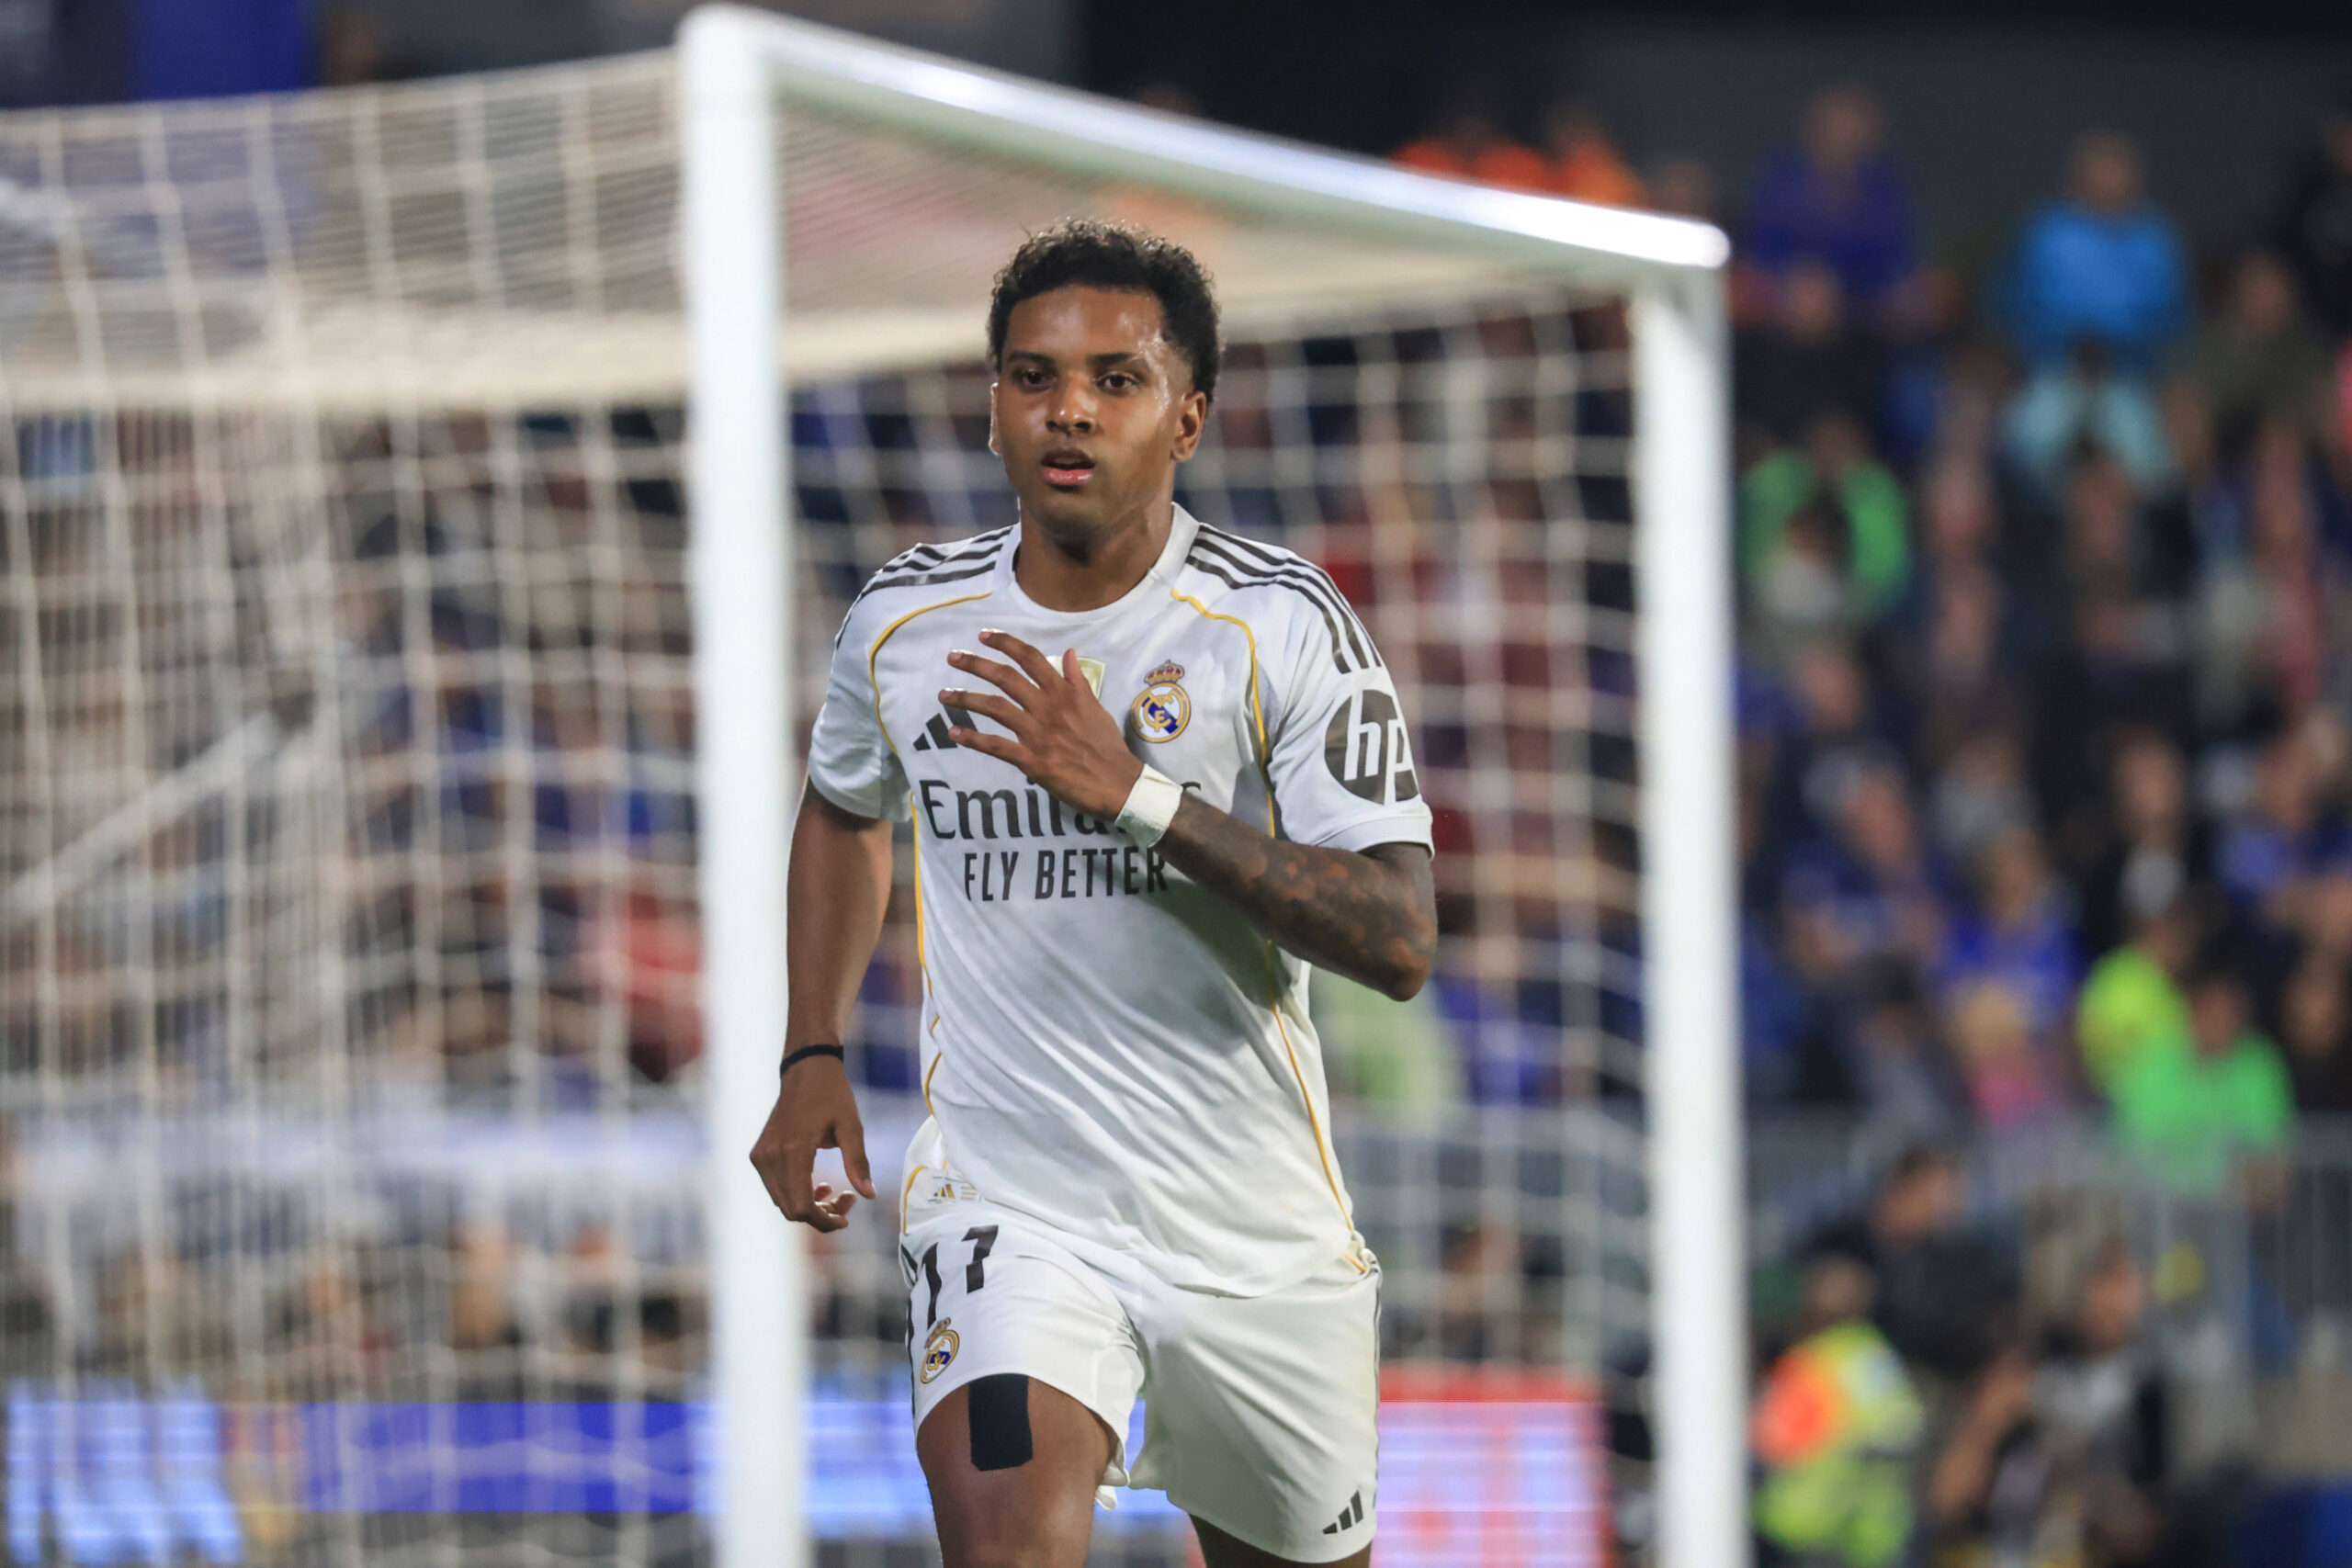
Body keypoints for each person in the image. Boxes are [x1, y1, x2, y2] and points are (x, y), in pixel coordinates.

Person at [749, 220, 1435, 1567]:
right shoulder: (904, 623)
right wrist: (811, 1045)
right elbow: (842, 807)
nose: (1070, 405)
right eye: (1032, 375)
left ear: (1188, 419)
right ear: (992, 410)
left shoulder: (1283, 624)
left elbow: (1400, 934)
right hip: (1015, 1204)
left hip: (1253, 1234)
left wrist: (1137, 792)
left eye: (1117, 378)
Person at [1998, 130, 2188, 378]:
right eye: (2100, 168)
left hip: (2131, 374)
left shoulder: (2155, 239)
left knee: (2136, 418)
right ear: (2080, 175)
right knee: (2037, 417)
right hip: (2054, 368)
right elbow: (2014, 300)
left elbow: (2173, 316)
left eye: (2116, 169)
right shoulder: (2046, 232)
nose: (2108, 180)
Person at [1741, 85, 1923, 336]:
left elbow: (1896, 267)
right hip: (1780, 320)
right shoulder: (1779, 183)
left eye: (1853, 129)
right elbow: (1759, 256)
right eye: (1834, 128)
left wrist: (1844, 295)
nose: (1843, 138)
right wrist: (1794, 285)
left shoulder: (1885, 193)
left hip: (1862, 323)